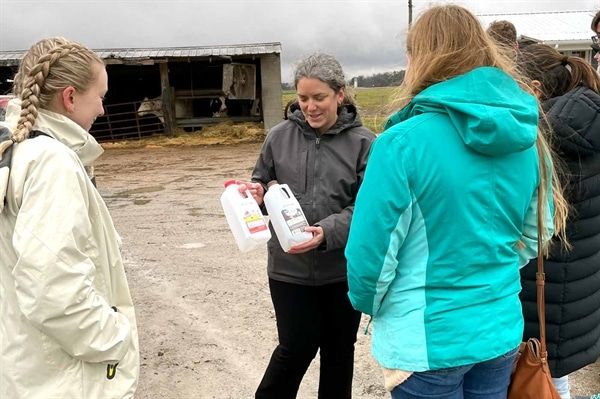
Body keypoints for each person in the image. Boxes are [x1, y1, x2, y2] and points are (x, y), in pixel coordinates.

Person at [345, 5, 568, 398]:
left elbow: (370, 260)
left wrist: (372, 306)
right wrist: (490, 270)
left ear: (420, 57)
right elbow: (539, 231)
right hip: (498, 328)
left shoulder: (401, 143)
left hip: (425, 340)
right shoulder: (526, 136)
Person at [0, 37, 139, 398]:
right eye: (101, 97)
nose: (103, 111)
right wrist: (115, 339)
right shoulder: (51, 162)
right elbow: (52, 289)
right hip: (64, 378)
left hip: (27, 365)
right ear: (70, 97)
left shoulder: (14, 150)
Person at [237, 53, 375, 398]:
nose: (310, 107)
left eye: (319, 98)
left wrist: (328, 231)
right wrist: (254, 195)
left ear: (340, 95)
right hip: (289, 269)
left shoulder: (364, 143)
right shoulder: (278, 137)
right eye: (303, 98)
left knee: (339, 351)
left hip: (341, 270)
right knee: (295, 347)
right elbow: (262, 182)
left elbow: (369, 207)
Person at [517, 43, 600, 399]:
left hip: (542, 290)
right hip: (575, 294)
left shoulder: (544, 139)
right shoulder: (589, 121)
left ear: (534, 89)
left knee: (532, 377)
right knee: (549, 379)